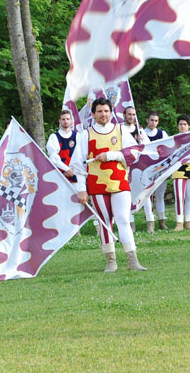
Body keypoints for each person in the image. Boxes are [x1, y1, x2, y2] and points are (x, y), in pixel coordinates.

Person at [70, 98, 146, 272]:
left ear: (111, 112)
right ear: (93, 113)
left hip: (119, 182)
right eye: (99, 111)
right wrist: (82, 189)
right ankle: (111, 261)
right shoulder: (85, 134)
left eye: (106, 111)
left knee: (123, 219)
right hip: (97, 185)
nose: (103, 114)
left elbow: (134, 153)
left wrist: (111, 155)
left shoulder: (120, 130)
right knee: (104, 222)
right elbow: (78, 164)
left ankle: (132, 259)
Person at [121, 106, 155, 233]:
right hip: (127, 165)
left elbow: (148, 146)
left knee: (144, 192)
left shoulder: (139, 129)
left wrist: (141, 141)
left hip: (140, 166)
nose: (131, 117)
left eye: (133, 114)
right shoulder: (120, 129)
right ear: (124, 115)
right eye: (129, 114)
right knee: (128, 194)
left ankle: (150, 223)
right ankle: (130, 223)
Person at [171, 115, 190, 231]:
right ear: (178, 126)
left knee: (189, 196)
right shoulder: (173, 139)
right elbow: (172, 154)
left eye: (185, 124)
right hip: (178, 169)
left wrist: (184, 158)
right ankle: (179, 222)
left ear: (188, 126)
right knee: (179, 196)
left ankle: (188, 221)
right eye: (180, 124)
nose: (182, 126)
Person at [142, 111, 170, 229]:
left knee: (160, 196)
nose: (153, 123)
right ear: (147, 120)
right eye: (151, 120)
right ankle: (150, 222)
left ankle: (162, 221)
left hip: (160, 168)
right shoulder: (141, 133)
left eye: (156, 121)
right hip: (146, 168)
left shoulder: (162, 133)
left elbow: (168, 149)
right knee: (147, 196)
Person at [46, 110, 80, 186]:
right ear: (59, 121)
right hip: (60, 175)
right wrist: (67, 170)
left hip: (75, 175)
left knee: (77, 197)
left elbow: (81, 156)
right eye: (63, 119)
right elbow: (54, 158)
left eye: (68, 119)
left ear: (71, 121)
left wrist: (74, 171)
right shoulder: (54, 137)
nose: (65, 121)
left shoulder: (77, 136)